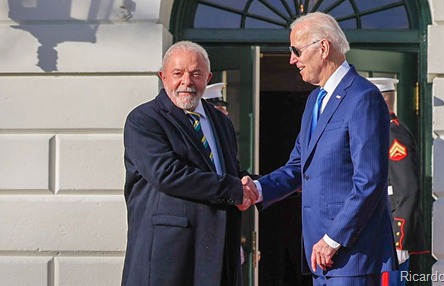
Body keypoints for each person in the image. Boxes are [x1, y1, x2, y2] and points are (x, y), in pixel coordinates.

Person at [243, 12, 397, 286]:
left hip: (352, 255)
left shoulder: (363, 97)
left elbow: (370, 180)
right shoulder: (316, 99)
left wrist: (333, 238)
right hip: (321, 255)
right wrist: (258, 189)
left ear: (323, 48)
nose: (292, 59)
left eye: (296, 50)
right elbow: (298, 166)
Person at [121, 40, 258, 286]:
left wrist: (263, 186)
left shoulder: (221, 121)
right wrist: (235, 189)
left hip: (219, 256)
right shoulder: (144, 120)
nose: (187, 82)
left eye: (196, 74)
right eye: (178, 73)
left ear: (208, 77)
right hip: (169, 258)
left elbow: (228, 173)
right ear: (163, 77)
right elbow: (167, 174)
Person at [367, 78, 428, 286]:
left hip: (389, 239)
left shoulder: (393, 133)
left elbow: (407, 188)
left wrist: (399, 240)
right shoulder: (379, 130)